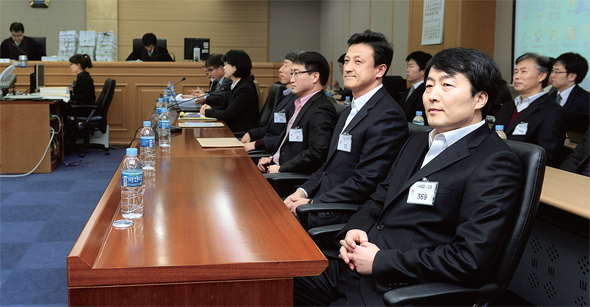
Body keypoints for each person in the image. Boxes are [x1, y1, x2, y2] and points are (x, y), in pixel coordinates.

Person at [294, 47, 523, 306]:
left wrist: (380, 262)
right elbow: (378, 199)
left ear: (479, 99)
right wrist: (354, 229)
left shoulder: (494, 162)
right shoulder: (416, 142)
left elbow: (469, 260)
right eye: (428, 86)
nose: (432, 96)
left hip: (400, 287)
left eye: (447, 85)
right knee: (273, 274)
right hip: (353, 264)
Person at [283, 30, 409, 228]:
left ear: (380, 70)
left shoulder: (387, 115)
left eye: (358, 62)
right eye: (347, 61)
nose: (348, 68)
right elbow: (328, 167)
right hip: (320, 200)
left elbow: (366, 182)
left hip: (343, 212)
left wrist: (313, 203)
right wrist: (302, 191)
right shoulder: (350, 110)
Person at [257, 52, 337, 174]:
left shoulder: (321, 108)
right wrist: (271, 158)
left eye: (296, 73)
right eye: (292, 73)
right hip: (276, 167)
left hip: (289, 177)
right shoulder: (300, 103)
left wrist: (281, 168)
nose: (292, 79)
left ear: (315, 77)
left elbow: (317, 152)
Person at [496, 53, 567, 167]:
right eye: (516, 72)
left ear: (542, 76)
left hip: (522, 171)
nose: (517, 76)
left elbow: (547, 156)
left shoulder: (553, 111)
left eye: (523, 71)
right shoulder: (507, 106)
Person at [240, 50, 304, 152]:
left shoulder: (299, 100)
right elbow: (270, 128)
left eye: (285, 65)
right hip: (266, 144)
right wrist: (251, 133)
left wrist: (256, 144)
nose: (280, 69)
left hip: (273, 151)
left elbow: (287, 136)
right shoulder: (285, 95)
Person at [200, 50, 259, 133]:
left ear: (235, 67)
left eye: (226, 64)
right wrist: (208, 108)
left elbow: (227, 114)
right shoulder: (236, 85)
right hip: (231, 129)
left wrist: (208, 111)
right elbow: (225, 106)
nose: (224, 68)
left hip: (241, 133)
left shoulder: (244, 89)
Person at [400, 51, 432, 124]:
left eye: (411, 67)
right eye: (407, 66)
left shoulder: (426, 91)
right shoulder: (408, 91)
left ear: (423, 71)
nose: (407, 70)